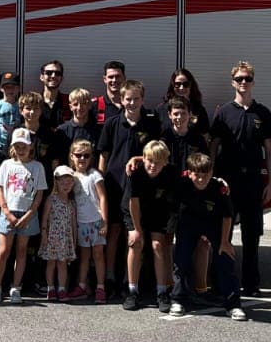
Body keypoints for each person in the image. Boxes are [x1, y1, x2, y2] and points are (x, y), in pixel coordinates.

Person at [209, 62, 271, 298]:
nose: (243, 83)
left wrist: (270, 183)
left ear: (253, 82)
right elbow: (213, 147)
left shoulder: (263, 113)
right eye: (239, 79)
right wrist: (211, 178)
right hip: (226, 182)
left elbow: (269, 151)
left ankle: (251, 284)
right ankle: (220, 283)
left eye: (247, 79)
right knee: (223, 234)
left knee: (252, 235)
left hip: (252, 183)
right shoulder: (223, 113)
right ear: (232, 82)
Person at [98, 78, 162, 298]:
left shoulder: (152, 124)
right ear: (122, 100)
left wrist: (139, 158)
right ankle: (109, 277)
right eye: (128, 99)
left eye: (136, 99)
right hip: (115, 185)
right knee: (114, 231)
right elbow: (103, 155)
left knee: (133, 233)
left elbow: (156, 154)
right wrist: (100, 185)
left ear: (142, 99)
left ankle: (130, 279)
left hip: (140, 189)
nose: (132, 103)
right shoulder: (112, 124)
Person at [171, 152, 245, 321]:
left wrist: (225, 242)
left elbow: (227, 216)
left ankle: (233, 304)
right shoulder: (181, 183)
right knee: (181, 261)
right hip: (188, 224)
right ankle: (177, 300)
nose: (201, 179)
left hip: (213, 225)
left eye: (206, 175)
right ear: (189, 173)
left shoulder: (219, 188)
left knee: (225, 258)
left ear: (212, 173)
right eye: (197, 175)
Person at [0, 127, 47, 304]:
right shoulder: (7, 165)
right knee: (4, 249)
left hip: (27, 213)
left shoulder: (37, 167)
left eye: (24, 145)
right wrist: (6, 211)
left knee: (22, 250)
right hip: (8, 212)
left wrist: (29, 214)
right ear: (12, 147)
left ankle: (16, 287)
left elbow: (39, 194)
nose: (21, 149)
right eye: (17, 145)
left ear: (30, 147)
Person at [124, 140, 179, 312]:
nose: (153, 165)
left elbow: (173, 204)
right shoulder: (136, 173)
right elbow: (133, 203)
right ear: (144, 159)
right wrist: (137, 230)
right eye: (149, 160)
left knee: (157, 246)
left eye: (157, 162)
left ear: (165, 162)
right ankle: (132, 291)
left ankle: (161, 292)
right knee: (136, 243)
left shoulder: (171, 173)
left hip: (157, 213)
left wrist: (170, 229)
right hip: (134, 211)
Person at [69, 138, 108, 302]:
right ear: (72, 156)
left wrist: (104, 220)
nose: (82, 159)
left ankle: (101, 287)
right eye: (79, 155)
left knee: (98, 254)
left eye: (86, 155)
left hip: (96, 221)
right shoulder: (71, 176)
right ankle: (82, 286)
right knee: (84, 255)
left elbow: (103, 197)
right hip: (82, 223)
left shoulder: (94, 175)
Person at [39, 164, 78, 301]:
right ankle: (51, 288)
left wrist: (74, 239)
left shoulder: (71, 203)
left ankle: (61, 289)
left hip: (65, 239)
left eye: (69, 182)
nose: (66, 185)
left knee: (62, 263)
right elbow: (44, 219)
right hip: (52, 237)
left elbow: (73, 224)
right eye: (63, 181)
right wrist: (44, 234)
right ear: (56, 182)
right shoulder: (51, 199)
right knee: (51, 263)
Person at [54, 87, 98, 163]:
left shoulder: (97, 130)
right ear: (70, 107)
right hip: (67, 172)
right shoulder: (62, 131)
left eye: (84, 103)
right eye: (75, 104)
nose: (79, 108)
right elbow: (56, 158)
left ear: (90, 105)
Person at [167, 68, 211, 137]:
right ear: (172, 86)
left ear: (191, 86)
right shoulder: (161, 109)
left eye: (186, 84)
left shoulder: (199, 110)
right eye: (177, 84)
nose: (181, 88)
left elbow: (205, 136)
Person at [38, 61, 71, 132]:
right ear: (41, 77)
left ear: (61, 78)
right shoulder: (33, 101)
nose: (53, 76)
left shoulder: (70, 102)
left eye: (57, 73)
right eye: (49, 73)